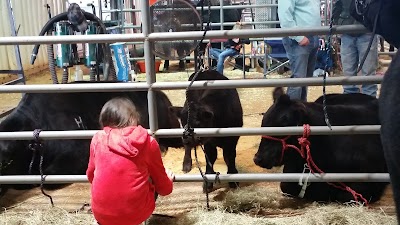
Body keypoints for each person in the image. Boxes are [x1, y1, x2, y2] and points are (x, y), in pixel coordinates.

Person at [86, 97, 175, 225]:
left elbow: (90, 175)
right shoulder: (148, 142)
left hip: (102, 215)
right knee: (149, 177)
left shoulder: (97, 139)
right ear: (134, 118)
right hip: (135, 215)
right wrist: (169, 181)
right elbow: (164, 188)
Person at [332, 0, 378, 97]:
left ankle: (370, 106)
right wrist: (336, 21)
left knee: (368, 73)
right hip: (347, 31)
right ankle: (350, 104)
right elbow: (338, 5)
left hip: (366, 30)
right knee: (348, 73)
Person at [278, 0, 321, 101]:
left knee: (305, 79)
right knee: (299, 79)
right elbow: (285, 16)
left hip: (312, 36)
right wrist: (298, 36)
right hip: (299, 39)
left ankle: (300, 108)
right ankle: (291, 112)